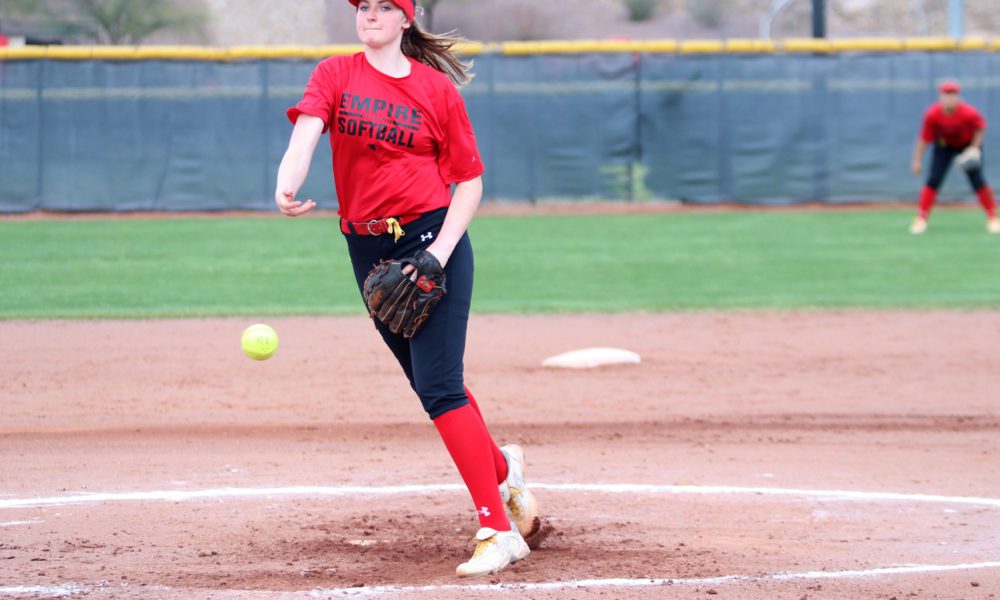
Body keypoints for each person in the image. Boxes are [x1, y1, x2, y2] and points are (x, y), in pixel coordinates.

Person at [274, 0, 540, 577]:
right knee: (431, 386)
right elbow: (309, 130)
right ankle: (503, 468)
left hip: (430, 241)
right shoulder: (334, 74)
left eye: (380, 6)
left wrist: (436, 258)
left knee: (441, 386)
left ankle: (497, 529)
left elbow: (469, 183)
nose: (368, 13)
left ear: (405, 19)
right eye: (362, 6)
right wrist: (287, 181)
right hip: (367, 252)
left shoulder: (435, 90)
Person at [910, 79, 1000, 235]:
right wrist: (917, 160)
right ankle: (921, 218)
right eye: (946, 95)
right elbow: (924, 138)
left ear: (958, 97)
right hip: (944, 146)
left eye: (953, 95)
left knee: (977, 180)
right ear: (941, 97)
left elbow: (980, 128)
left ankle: (993, 217)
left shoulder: (968, 112)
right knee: (933, 180)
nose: (950, 98)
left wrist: (974, 148)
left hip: (967, 146)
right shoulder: (933, 114)